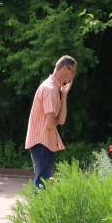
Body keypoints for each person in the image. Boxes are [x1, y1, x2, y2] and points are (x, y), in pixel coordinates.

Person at [25, 55, 77, 188]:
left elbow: (61, 120)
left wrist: (64, 95)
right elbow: (50, 123)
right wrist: (55, 119)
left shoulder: (55, 89)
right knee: (42, 185)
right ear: (65, 68)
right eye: (73, 71)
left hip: (45, 143)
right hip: (42, 143)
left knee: (44, 184)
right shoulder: (49, 89)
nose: (73, 76)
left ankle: (39, 208)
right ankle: (38, 209)